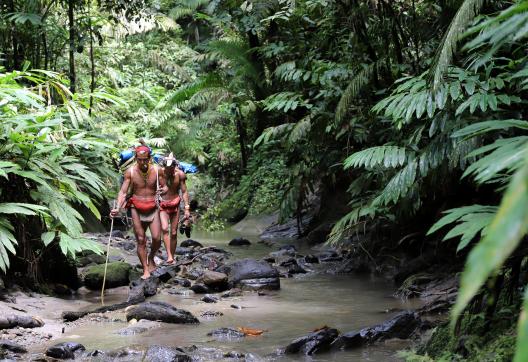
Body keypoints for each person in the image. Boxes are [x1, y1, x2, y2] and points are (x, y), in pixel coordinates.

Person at [110, 144, 162, 279]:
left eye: (145, 159)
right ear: (136, 158)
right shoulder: (130, 172)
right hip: (136, 207)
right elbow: (123, 191)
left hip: (153, 206)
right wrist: (118, 208)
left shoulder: (157, 170)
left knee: (157, 238)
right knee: (140, 239)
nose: (143, 162)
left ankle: (151, 258)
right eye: (140, 159)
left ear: (149, 158)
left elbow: (165, 186)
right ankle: (145, 269)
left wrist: (163, 190)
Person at [159, 153, 191, 264]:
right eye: (167, 168)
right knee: (164, 228)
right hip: (162, 205)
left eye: (171, 168)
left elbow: (184, 191)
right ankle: (169, 256)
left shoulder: (180, 175)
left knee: (173, 232)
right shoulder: (159, 174)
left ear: (174, 167)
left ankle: (171, 255)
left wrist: (187, 208)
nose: (169, 170)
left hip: (175, 205)